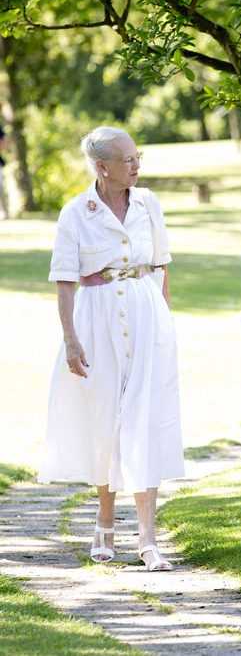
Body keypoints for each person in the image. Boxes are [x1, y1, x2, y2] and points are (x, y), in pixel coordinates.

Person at [39, 126, 184, 571]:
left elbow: (161, 266)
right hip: (96, 318)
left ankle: (147, 538)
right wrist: (70, 339)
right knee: (104, 419)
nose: (136, 165)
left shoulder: (149, 205)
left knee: (145, 418)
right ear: (101, 167)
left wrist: (164, 325)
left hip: (146, 316)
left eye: (137, 156)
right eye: (127, 160)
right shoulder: (75, 213)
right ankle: (105, 521)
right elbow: (65, 280)